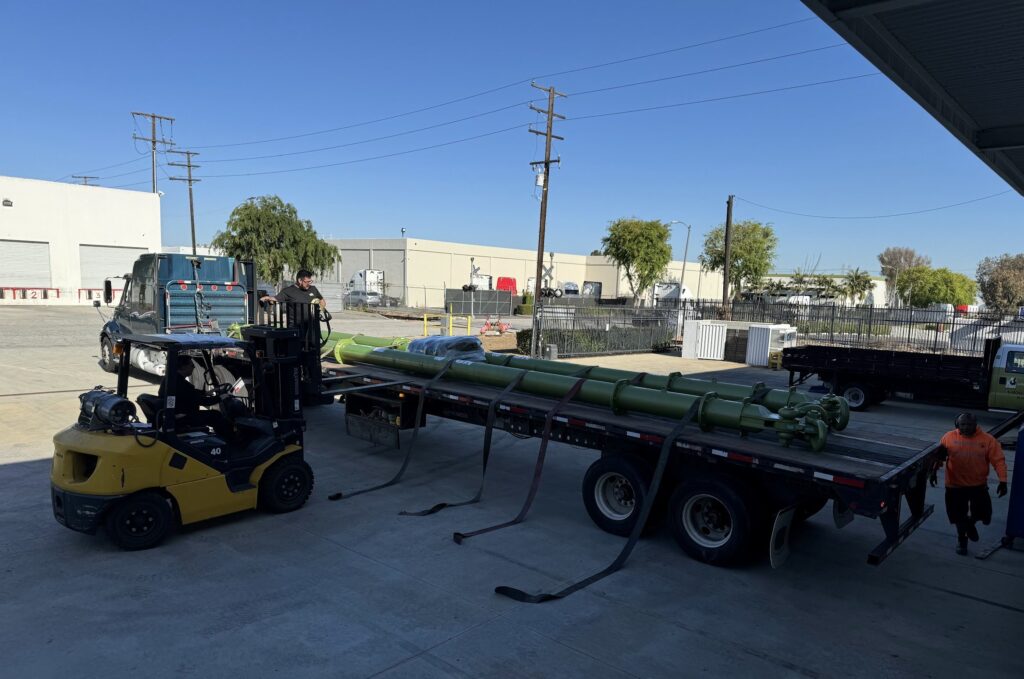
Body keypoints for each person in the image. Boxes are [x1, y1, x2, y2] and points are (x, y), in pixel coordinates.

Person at [930, 412, 1008, 555]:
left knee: (985, 515)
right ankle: (962, 540)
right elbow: (939, 457)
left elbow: (999, 461)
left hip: (977, 485)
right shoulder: (948, 437)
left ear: (976, 425)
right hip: (954, 485)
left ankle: (970, 523)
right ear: (957, 424)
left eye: (969, 424)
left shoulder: (988, 440)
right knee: (958, 516)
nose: (966, 427)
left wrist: (1002, 481)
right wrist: (933, 472)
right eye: (963, 424)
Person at [260, 270, 326, 309]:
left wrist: (320, 310)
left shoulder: (313, 289)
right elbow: (276, 298)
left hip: (313, 326)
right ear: (300, 280)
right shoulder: (288, 291)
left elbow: (322, 301)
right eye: (307, 282)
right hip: (295, 327)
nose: (309, 283)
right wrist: (266, 298)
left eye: (310, 281)